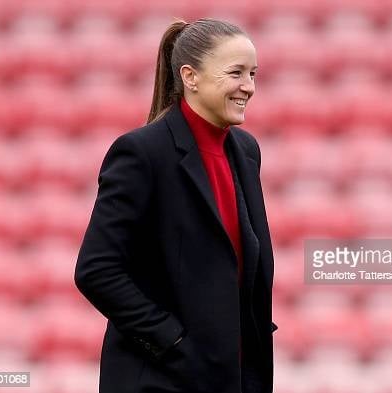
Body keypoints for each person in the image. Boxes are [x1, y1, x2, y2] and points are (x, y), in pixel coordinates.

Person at [74, 17, 277, 393]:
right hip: (161, 380)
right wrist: (173, 342)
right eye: (236, 73)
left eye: (253, 74)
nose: (249, 87)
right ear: (190, 76)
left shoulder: (246, 152)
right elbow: (96, 270)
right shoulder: (141, 152)